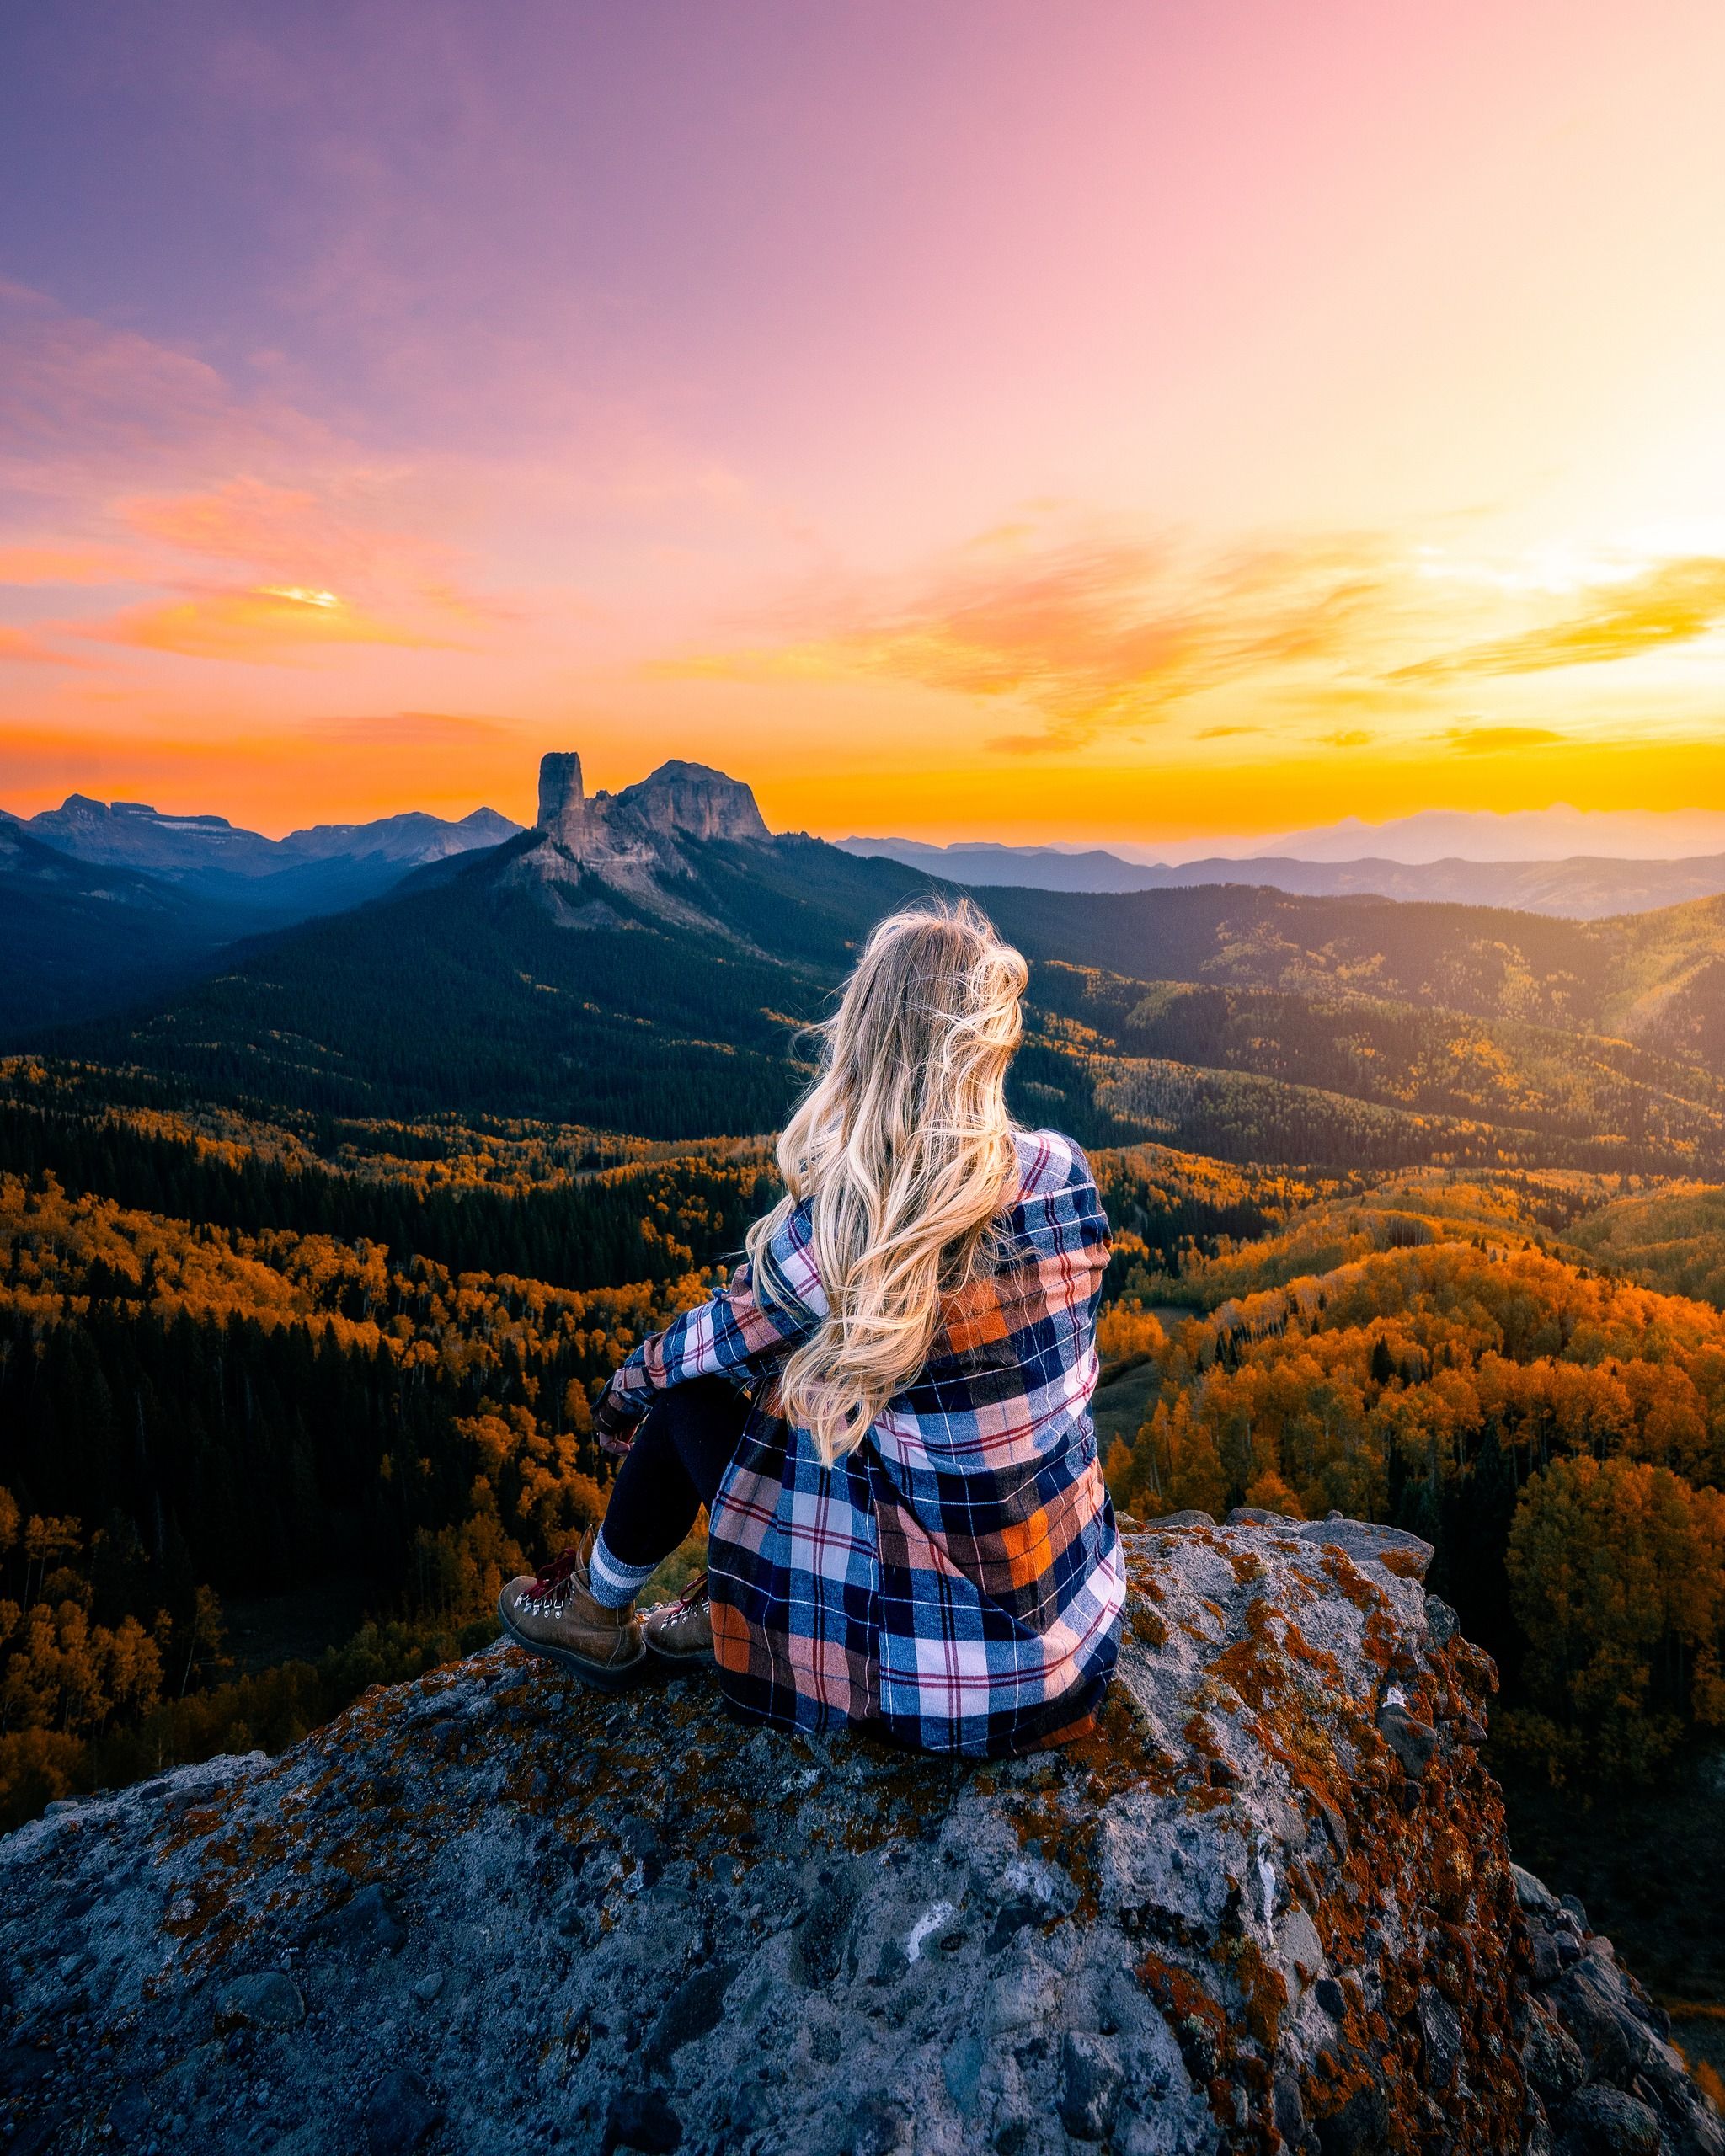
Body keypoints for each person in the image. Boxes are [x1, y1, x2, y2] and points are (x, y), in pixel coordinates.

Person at [498, 899, 1124, 1757]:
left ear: (864, 1038)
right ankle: (721, 1601)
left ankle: (597, 1611)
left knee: (695, 1394)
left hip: (930, 1692)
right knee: (826, 1383)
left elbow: (694, 1350)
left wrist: (614, 1407)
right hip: (1073, 1649)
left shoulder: (845, 1227)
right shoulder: (1061, 1172)